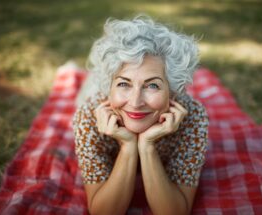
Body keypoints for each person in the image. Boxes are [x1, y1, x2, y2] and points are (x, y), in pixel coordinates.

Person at [72, 15, 209, 215]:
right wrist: (128, 146)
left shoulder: (193, 117)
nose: (136, 102)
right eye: (123, 84)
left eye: (152, 85)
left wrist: (147, 147)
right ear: (109, 87)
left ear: (172, 91)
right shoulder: (88, 117)